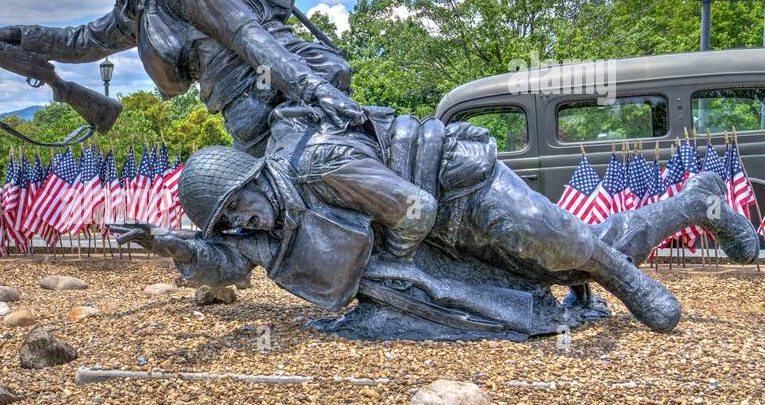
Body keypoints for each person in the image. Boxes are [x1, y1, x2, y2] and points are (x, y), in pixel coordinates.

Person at [0, 0, 436, 258]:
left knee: (310, 169)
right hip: (245, 116)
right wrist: (21, 37)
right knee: (276, 210)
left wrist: (314, 90)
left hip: (277, 96)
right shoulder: (136, 4)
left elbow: (250, 38)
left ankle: (408, 211)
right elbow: (83, 40)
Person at [114, 113, 760, 336]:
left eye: (237, 210)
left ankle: (623, 275)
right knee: (564, 261)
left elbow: (413, 210)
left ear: (251, 180)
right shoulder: (271, 218)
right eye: (230, 224)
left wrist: (396, 264)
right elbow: (237, 265)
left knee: (564, 245)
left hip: (458, 187)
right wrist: (177, 247)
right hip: (439, 229)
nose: (244, 225)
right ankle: (697, 202)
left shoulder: (316, 164)